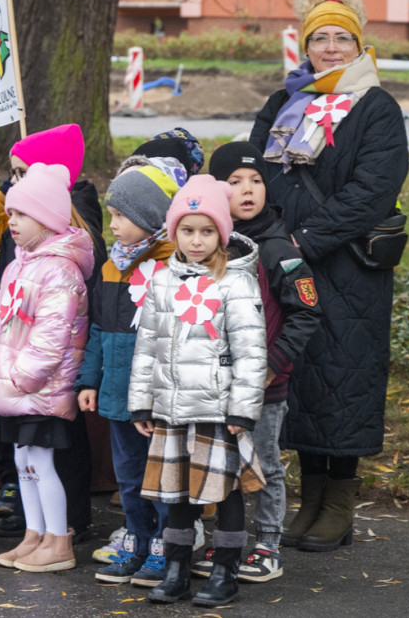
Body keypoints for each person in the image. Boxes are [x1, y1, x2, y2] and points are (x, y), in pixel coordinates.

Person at [249, 0, 409, 552]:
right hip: (293, 264)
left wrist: (303, 239)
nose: (332, 48)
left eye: (343, 38)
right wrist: (277, 238)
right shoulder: (285, 102)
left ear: (360, 45)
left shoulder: (377, 108)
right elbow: (260, 171)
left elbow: (373, 190)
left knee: (345, 377)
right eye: (322, 39)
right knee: (303, 377)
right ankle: (310, 496)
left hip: (350, 270)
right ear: (306, 45)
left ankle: (339, 501)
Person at [129, 174, 267, 607]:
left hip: (217, 410)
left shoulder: (236, 282)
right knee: (177, 493)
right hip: (171, 408)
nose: (196, 240)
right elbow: (147, 345)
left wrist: (242, 411)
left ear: (221, 234)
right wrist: (140, 402)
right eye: (187, 230)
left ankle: (225, 570)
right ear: (174, 233)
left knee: (223, 492)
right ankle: (176, 566)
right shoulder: (162, 282)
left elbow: (251, 351)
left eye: (207, 231)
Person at [0, 123, 105, 542]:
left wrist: (21, 376)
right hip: (16, 382)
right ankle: (36, 534)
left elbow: (51, 333)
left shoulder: (60, 262)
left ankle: (60, 535)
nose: (12, 184)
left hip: (39, 384)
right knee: (26, 463)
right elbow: (2, 324)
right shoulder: (20, 260)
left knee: (48, 463)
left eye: (21, 173)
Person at [198, 142, 322, 583]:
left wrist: (273, 363)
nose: (247, 190)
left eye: (256, 181)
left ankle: (268, 542)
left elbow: (306, 311)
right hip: (215, 384)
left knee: (264, 462)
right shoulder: (209, 243)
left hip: (264, 387)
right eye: (234, 183)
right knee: (220, 465)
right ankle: (226, 540)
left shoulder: (277, 248)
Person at [76, 166, 178, 586]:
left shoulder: (172, 267)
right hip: (118, 394)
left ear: (150, 217)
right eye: (111, 215)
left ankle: (165, 548)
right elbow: (99, 328)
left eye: (121, 216)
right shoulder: (110, 267)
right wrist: (89, 380)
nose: (112, 225)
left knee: (163, 478)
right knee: (130, 477)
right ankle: (137, 541)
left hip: (155, 398)